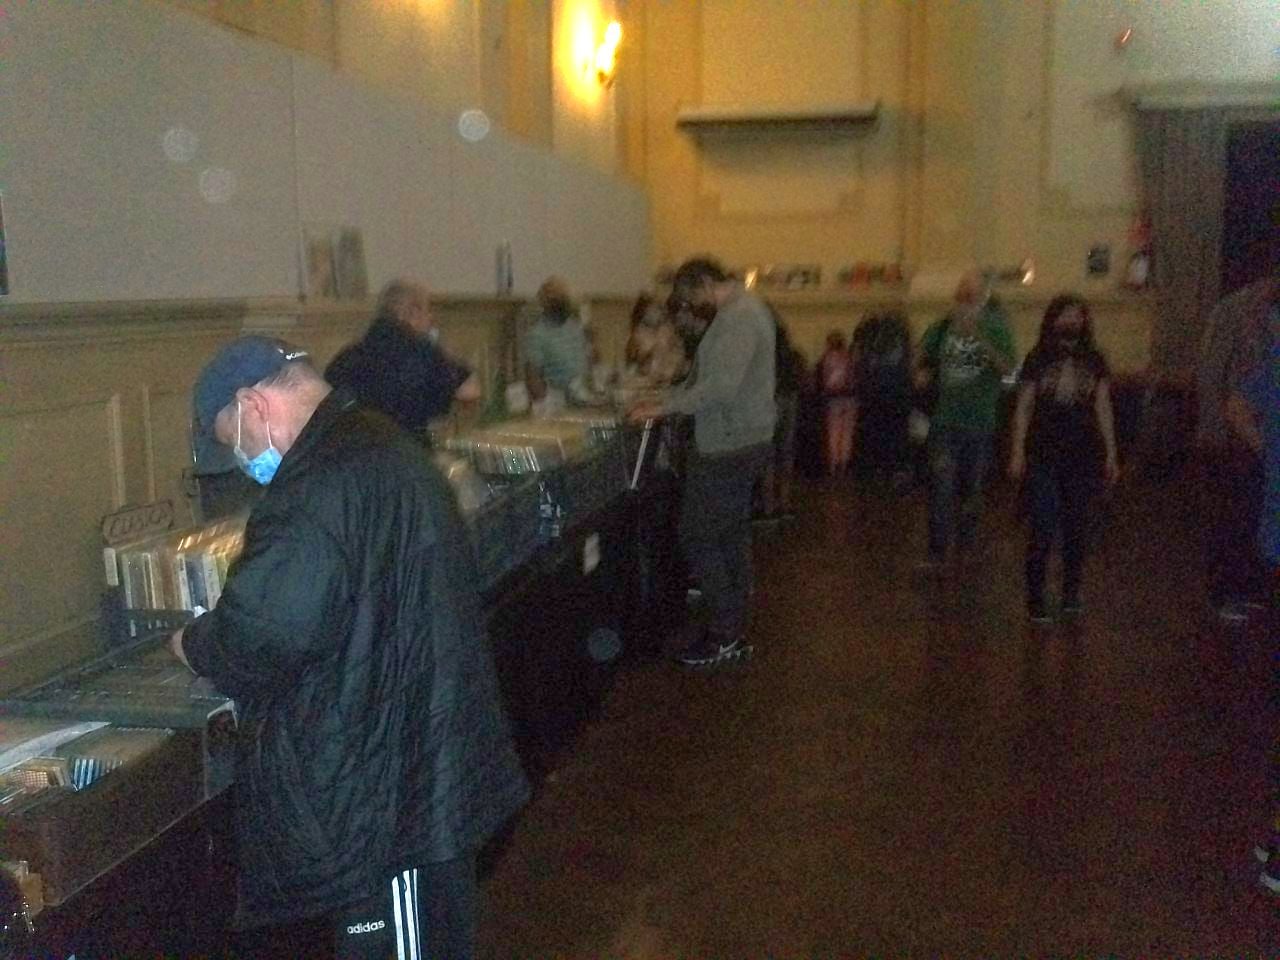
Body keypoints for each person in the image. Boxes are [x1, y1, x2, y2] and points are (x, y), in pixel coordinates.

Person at [173, 336, 528, 959]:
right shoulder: (378, 440)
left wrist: (191, 642)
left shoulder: (315, 485)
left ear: (253, 405)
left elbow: (259, 637)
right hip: (418, 762)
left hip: (389, 800)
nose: (244, 463)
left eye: (235, 443)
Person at [628, 257, 776, 668]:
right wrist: (666, 397)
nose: (690, 306)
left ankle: (725, 632)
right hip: (739, 439)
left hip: (729, 444)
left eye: (689, 297)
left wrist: (664, 406)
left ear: (704, 285)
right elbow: (710, 380)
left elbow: (721, 388)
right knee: (728, 535)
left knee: (697, 536)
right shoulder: (742, 312)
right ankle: (730, 623)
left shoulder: (738, 318)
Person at [1008, 295, 1120, 622]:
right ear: (1053, 320)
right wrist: (1017, 450)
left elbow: (1103, 406)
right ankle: (1036, 596)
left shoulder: (1095, 359)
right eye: (1066, 315)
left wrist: (1111, 452)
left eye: (1077, 315)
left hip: (1082, 454)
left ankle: (1071, 591)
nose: (1072, 321)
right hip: (1043, 452)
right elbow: (1024, 406)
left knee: (1076, 526)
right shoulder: (1038, 357)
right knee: (1042, 524)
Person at [915, 271, 1016, 569]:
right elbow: (921, 356)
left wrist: (978, 336)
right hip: (945, 421)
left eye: (970, 294)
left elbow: (1008, 369)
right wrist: (921, 369)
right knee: (941, 487)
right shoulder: (943, 326)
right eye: (961, 293)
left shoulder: (997, 328)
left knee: (971, 489)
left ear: (983, 297)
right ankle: (937, 551)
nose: (963, 299)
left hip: (979, 422)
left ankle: (966, 546)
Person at [1196, 273, 1277, 621]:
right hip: (1237, 430)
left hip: (1259, 425)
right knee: (1236, 512)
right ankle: (1225, 589)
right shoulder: (1233, 312)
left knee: (1258, 510)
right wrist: (1212, 426)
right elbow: (1213, 370)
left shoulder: (1263, 316)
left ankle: (1248, 584)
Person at [325, 279, 481, 435]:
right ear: (413, 312)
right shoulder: (423, 352)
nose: (431, 317)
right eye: (427, 310)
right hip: (407, 445)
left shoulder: (346, 358)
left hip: (356, 446)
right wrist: (444, 352)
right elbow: (469, 391)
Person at [852, 311, 914, 492]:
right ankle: (895, 473)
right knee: (896, 437)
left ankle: (875, 474)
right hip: (896, 398)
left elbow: (858, 363)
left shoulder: (868, 345)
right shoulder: (900, 342)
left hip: (873, 398)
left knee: (874, 436)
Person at [758, 304, 804, 520]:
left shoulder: (759, 343)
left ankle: (768, 505)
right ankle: (784, 502)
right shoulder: (785, 346)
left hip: (769, 399)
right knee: (786, 452)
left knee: (768, 453)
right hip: (788, 397)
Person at [525, 276, 592, 405]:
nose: (564, 304)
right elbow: (533, 379)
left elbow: (588, 361)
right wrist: (546, 405)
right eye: (558, 300)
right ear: (546, 304)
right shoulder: (538, 335)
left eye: (565, 299)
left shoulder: (575, 327)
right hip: (556, 402)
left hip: (583, 397)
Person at [817, 330, 857, 480]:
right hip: (850, 399)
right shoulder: (849, 357)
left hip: (833, 400)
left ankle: (833, 466)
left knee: (833, 433)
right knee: (847, 434)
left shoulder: (826, 358)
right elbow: (853, 378)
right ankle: (844, 465)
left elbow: (823, 380)